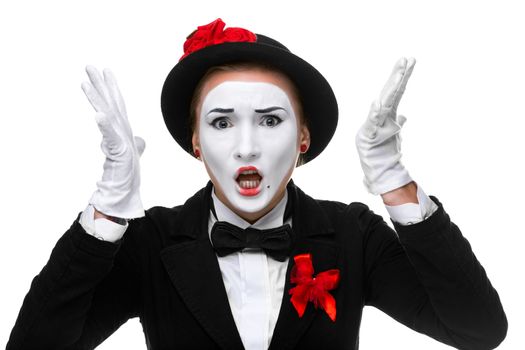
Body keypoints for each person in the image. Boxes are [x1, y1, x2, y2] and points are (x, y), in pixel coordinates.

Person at [7, 18, 507, 350]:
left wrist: (395, 181)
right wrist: (108, 208)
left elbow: (479, 329)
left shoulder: (353, 234)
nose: (246, 148)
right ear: (196, 140)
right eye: (222, 123)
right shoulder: (151, 244)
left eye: (270, 121)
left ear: (303, 136)